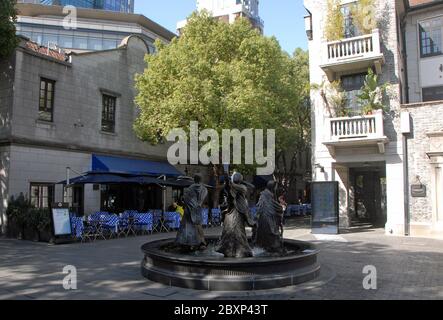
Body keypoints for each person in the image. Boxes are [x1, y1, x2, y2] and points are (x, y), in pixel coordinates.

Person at [217, 172, 256, 258]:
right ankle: (233, 251)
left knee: (237, 233)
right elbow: (229, 190)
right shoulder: (236, 188)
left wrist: (229, 181)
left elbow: (232, 187)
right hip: (233, 213)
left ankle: (237, 251)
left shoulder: (240, 188)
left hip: (235, 213)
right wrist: (228, 181)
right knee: (233, 232)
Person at [175, 175, 208, 250]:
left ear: (194, 180)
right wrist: (198, 204)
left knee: (188, 225)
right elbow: (202, 200)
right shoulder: (204, 189)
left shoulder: (189, 189)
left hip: (189, 210)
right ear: (201, 180)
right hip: (198, 209)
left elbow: (186, 200)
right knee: (198, 225)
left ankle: (189, 242)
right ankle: (202, 241)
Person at [255, 181, 284, 253]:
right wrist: (280, 207)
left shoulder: (264, 195)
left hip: (261, 221)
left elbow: (259, 206)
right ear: (272, 187)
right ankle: (273, 247)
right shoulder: (268, 196)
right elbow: (277, 207)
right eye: (275, 187)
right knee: (273, 232)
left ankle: (263, 246)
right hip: (268, 221)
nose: (276, 189)